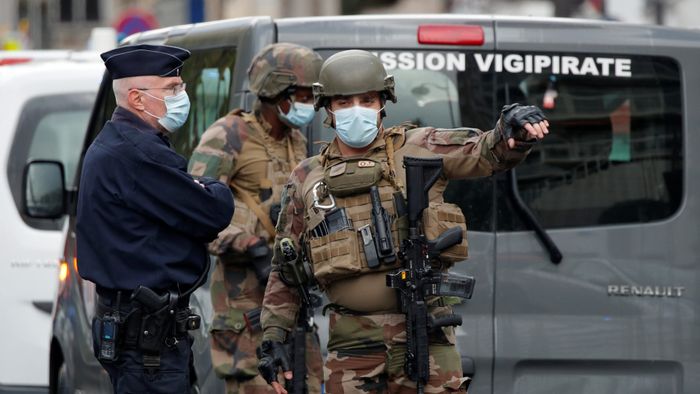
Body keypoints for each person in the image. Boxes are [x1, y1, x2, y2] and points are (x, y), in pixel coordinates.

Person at [257, 49, 550, 394]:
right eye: (344, 102)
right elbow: (285, 268)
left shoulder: (417, 147)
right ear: (328, 110)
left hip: (425, 330)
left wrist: (510, 130)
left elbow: (483, 152)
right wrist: (274, 336)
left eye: (367, 100)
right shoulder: (307, 176)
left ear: (383, 102)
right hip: (352, 344)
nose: (356, 110)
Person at [76, 44, 234, 393]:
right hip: (148, 339)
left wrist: (197, 186)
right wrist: (211, 188)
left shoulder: (117, 143)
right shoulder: (137, 153)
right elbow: (214, 211)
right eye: (172, 89)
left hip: (137, 330)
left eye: (182, 87)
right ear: (137, 99)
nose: (182, 96)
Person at [187, 43, 324, 394]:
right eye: (304, 94)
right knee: (258, 383)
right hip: (243, 299)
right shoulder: (229, 134)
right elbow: (194, 211)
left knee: (304, 381)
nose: (310, 103)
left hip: (289, 296)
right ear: (277, 92)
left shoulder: (295, 140)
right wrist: (249, 244)